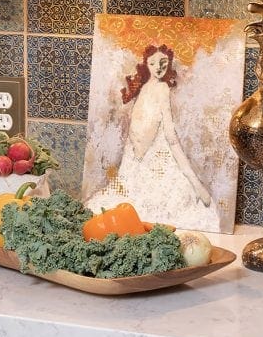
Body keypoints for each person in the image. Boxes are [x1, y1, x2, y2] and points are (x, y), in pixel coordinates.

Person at [86, 44, 212, 222]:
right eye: (153, 63)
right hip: (138, 157)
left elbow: (170, 134)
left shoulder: (162, 89)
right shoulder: (145, 89)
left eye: (164, 62)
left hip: (156, 155)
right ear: (146, 65)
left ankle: (196, 186)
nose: (159, 68)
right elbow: (138, 127)